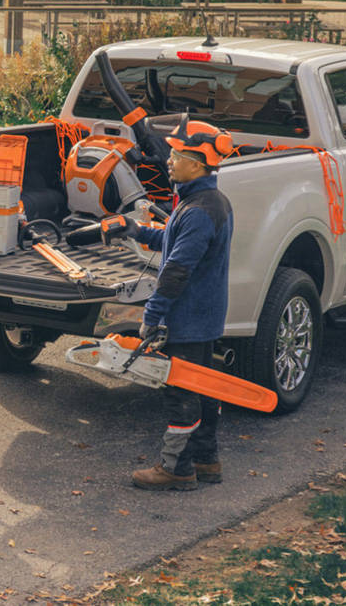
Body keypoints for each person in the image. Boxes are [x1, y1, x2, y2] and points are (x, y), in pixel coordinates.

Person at [122, 121, 238, 492]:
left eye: (176, 155)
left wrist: (152, 317)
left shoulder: (201, 209)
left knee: (181, 394)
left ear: (198, 163)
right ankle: (207, 461)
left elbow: (176, 270)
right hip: (203, 316)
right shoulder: (201, 202)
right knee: (202, 389)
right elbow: (174, 241)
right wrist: (134, 230)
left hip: (187, 319)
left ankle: (177, 469)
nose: (168, 160)